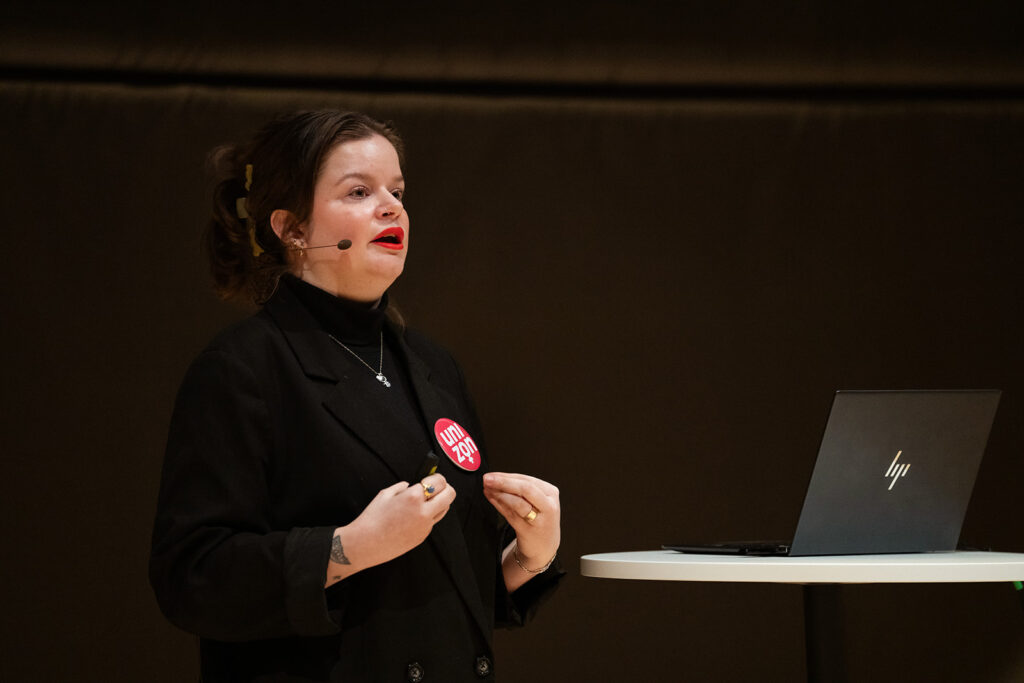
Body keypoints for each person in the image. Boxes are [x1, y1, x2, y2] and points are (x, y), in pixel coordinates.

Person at [149, 110, 564, 682]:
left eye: (397, 191)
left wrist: (529, 556)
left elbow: (447, 596)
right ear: (292, 229)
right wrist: (349, 547)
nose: (392, 207)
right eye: (360, 191)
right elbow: (191, 579)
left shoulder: (435, 367)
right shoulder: (242, 369)